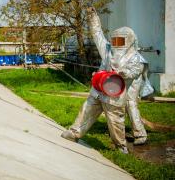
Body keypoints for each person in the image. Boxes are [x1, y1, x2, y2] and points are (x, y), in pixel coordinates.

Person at [61, 8, 153, 154]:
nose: (116, 43)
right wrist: (92, 17)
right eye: (114, 40)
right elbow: (97, 35)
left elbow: (135, 72)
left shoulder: (135, 58)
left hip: (115, 95)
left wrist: (123, 73)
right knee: (86, 111)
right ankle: (74, 133)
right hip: (98, 91)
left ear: (128, 41)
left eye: (120, 40)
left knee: (115, 122)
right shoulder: (108, 51)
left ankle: (121, 146)